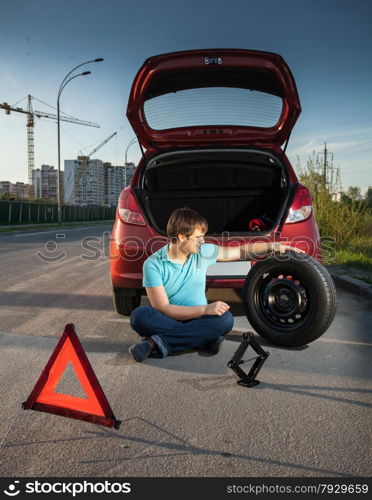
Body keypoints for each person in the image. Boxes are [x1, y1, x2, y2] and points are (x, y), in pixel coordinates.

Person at [129, 207, 290, 362]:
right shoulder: (153, 264)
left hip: (200, 319)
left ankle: (155, 343)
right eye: (198, 238)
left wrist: (274, 246)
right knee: (139, 316)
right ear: (182, 237)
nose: (203, 241)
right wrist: (207, 309)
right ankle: (204, 339)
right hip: (170, 319)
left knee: (225, 319)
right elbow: (164, 308)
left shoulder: (203, 252)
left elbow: (241, 251)